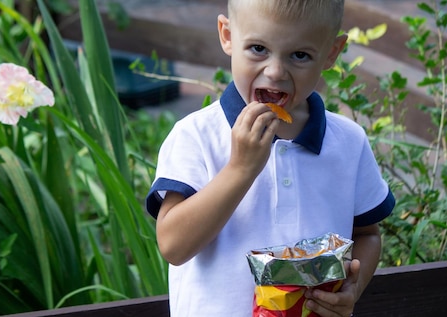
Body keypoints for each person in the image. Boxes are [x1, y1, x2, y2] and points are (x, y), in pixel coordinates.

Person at [145, 0, 395, 316]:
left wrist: (352, 289)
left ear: (331, 53)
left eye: (300, 55)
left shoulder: (348, 142)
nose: (275, 72)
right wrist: (240, 169)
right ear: (227, 35)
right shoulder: (197, 136)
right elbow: (173, 246)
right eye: (258, 48)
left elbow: (367, 235)